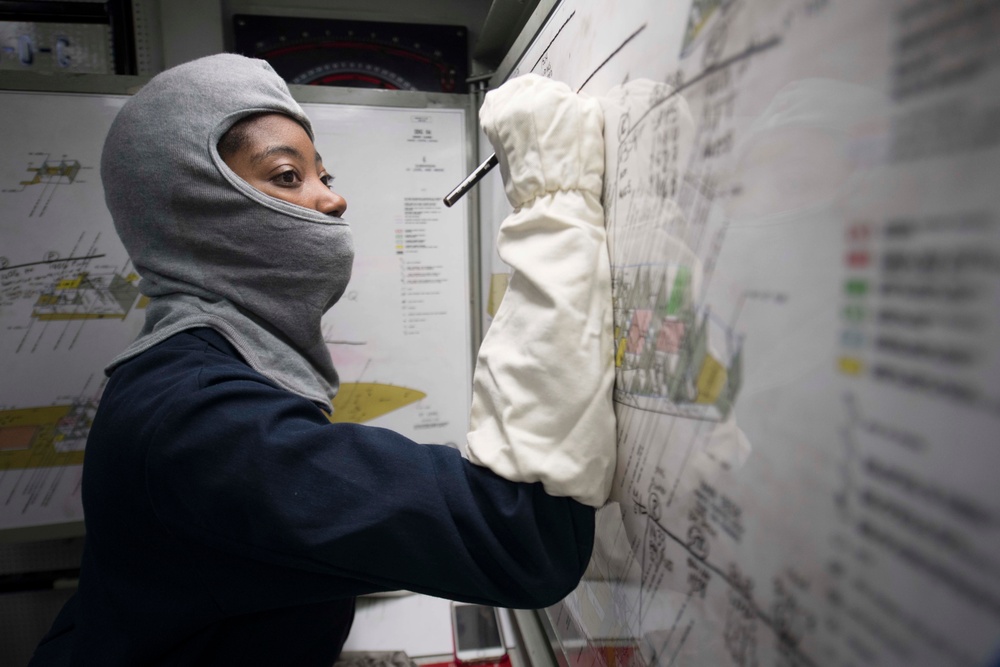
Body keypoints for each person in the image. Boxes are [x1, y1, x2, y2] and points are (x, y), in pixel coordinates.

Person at [29, 54, 615, 666]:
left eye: (323, 175)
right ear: (194, 207)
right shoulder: (198, 419)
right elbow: (518, 540)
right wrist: (555, 202)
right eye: (288, 176)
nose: (333, 201)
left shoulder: (186, 370)